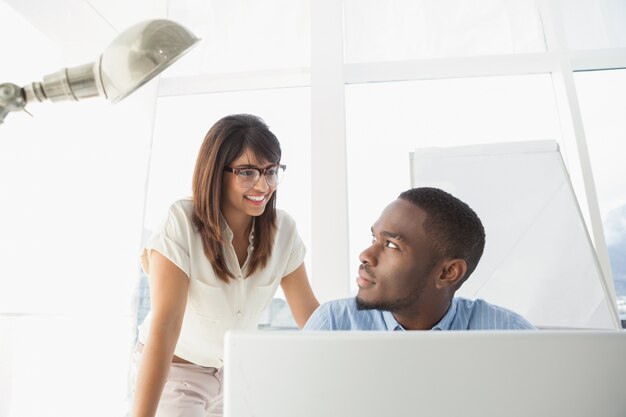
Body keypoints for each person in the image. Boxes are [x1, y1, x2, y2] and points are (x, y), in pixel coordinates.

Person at [131, 114, 319, 417]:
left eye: (271, 171)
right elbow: (164, 328)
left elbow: (311, 318)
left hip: (233, 374)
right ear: (216, 172)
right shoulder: (181, 222)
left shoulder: (284, 231)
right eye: (247, 172)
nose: (263, 184)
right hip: (176, 374)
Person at [304, 187, 534, 331]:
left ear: (448, 273)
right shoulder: (333, 324)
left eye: (391, 245)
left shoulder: (510, 334)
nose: (366, 255)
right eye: (374, 238)